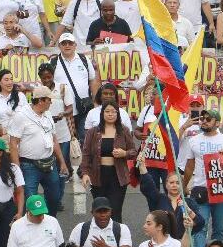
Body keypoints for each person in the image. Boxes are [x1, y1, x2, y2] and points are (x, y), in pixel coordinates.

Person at [180, 108, 223, 247]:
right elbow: (189, 165)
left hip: (221, 191)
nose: (204, 121)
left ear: (217, 123)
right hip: (200, 190)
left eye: (208, 119)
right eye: (202, 118)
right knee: (200, 225)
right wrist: (184, 185)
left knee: (218, 228)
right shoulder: (194, 141)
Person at [9, 86, 68, 214]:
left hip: (49, 163)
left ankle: (50, 223)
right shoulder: (21, 116)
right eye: (49, 100)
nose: (51, 103)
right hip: (29, 165)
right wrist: (17, 169)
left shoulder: (47, 115)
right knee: (31, 201)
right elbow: (13, 144)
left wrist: (62, 162)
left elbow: (54, 139)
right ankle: (31, 228)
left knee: (55, 198)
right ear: (41, 100)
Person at [79, 102, 139, 223]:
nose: (110, 114)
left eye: (113, 111)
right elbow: (86, 155)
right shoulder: (93, 132)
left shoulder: (124, 130)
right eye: (107, 111)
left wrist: (124, 153)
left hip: (118, 176)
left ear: (118, 114)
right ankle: (100, 236)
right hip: (98, 175)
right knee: (100, 210)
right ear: (102, 114)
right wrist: (85, 173)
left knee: (115, 210)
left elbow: (134, 152)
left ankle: (117, 238)